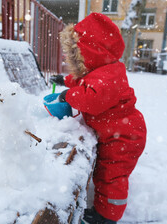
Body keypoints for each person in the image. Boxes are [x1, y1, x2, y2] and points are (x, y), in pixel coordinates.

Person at [50, 13, 147, 224]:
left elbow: (91, 98)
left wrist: (68, 95)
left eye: (78, 55)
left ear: (92, 52)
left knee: (111, 177)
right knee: (106, 173)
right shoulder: (102, 69)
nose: (74, 60)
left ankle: (107, 217)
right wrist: (65, 81)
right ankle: (105, 210)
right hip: (119, 132)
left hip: (124, 137)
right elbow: (85, 81)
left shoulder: (108, 76)